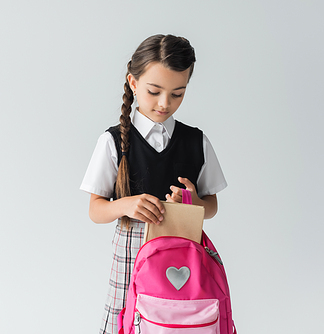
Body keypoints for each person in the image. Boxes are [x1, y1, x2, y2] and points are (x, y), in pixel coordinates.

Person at [80, 34, 227, 334]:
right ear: (133, 84)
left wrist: (195, 203)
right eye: (154, 91)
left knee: (180, 323)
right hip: (131, 255)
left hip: (184, 252)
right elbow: (96, 210)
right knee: (129, 322)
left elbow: (211, 205)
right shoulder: (112, 142)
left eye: (177, 94)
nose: (165, 103)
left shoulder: (196, 142)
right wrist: (126, 204)